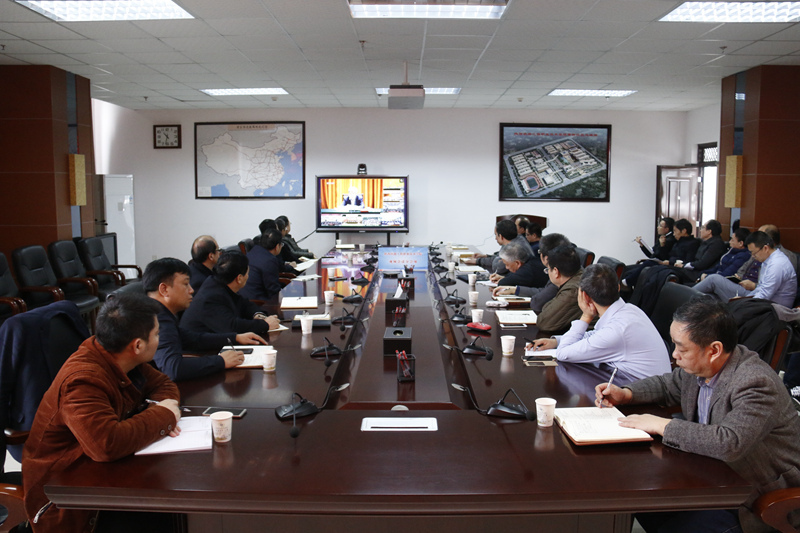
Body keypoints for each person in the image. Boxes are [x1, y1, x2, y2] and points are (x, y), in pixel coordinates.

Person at [595, 297, 800, 533]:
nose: (674, 355)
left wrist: (662, 425)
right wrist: (626, 394)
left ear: (714, 350)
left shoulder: (755, 383)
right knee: (638, 500)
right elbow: (667, 385)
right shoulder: (701, 367)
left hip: (753, 497)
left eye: (682, 348)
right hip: (710, 476)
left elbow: (729, 442)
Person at [23, 292, 181, 533]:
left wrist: (154, 410)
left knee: (169, 505)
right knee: (165, 512)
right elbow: (107, 444)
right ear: (138, 345)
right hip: (66, 498)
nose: (159, 339)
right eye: (157, 334)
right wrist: (162, 415)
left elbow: (164, 385)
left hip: (104, 474)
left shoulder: (119, 355)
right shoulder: (82, 381)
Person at [530, 263, 671, 379]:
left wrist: (586, 316)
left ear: (585, 296)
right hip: (630, 380)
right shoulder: (630, 309)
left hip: (643, 394)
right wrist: (557, 341)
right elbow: (596, 336)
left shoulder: (617, 330)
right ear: (618, 287)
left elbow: (563, 354)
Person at [144, 258, 265, 381]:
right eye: (185, 284)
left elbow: (195, 339)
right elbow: (173, 369)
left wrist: (235, 338)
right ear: (164, 289)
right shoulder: (156, 320)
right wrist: (221, 361)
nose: (191, 290)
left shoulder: (159, 314)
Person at [180, 251, 280, 337]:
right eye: (247, 273)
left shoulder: (220, 283)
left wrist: (258, 315)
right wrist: (265, 324)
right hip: (200, 350)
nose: (248, 276)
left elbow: (244, 304)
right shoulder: (211, 296)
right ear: (239, 278)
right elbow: (231, 326)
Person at [693, 230, 797, 307]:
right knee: (710, 297)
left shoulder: (777, 264)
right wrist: (744, 298)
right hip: (759, 298)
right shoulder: (768, 260)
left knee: (714, 281)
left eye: (753, 253)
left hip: (772, 307)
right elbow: (761, 288)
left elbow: (764, 295)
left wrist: (743, 300)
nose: (753, 256)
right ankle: (685, 301)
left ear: (765, 248)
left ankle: (684, 297)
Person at [493, 233, 570, 314]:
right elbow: (543, 290)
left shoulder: (554, 274)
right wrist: (514, 289)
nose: (506, 268)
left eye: (540, 252)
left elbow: (538, 302)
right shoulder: (534, 262)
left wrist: (514, 289)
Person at [622, 218, 700, 288]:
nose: (674, 234)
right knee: (630, 270)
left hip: (676, 268)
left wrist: (670, 262)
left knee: (649, 266)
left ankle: (628, 283)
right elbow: (662, 255)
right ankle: (626, 285)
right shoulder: (677, 242)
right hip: (667, 264)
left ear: (684, 231)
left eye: (675, 231)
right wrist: (662, 247)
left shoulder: (692, 244)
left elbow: (688, 261)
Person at [536, 244, 583, 333]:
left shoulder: (572, 290)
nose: (548, 273)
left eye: (548, 270)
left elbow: (544, 322)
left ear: (556, 272)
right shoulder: (579, 275)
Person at [240, 229, 288, 302]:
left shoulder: (254, 250)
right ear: (277, 246)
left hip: (244, 300)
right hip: (259, 302)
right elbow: (273, 290)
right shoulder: (270, 260)